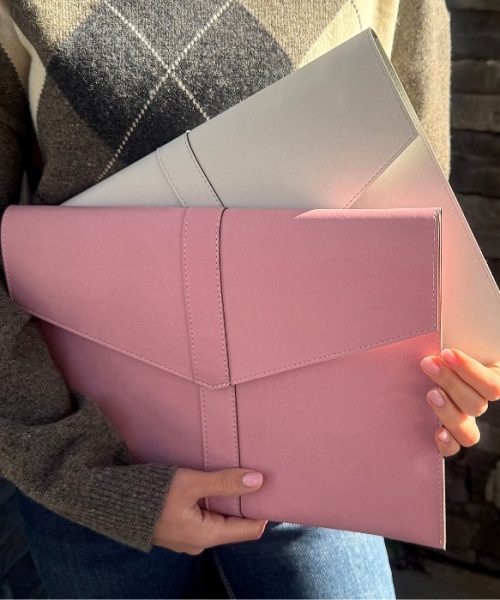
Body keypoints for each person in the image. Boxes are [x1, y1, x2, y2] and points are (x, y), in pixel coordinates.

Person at [2, 1, 498, 598]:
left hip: (325, 454)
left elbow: (419, 221)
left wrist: (449, 368)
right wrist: (78, 471)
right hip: (91, 454)